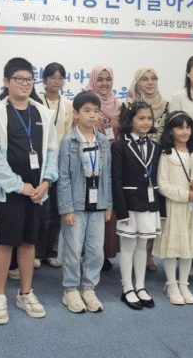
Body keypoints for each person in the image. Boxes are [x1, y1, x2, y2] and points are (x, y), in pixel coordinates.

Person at [0, 57, 58, 325]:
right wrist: (18, 186)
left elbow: (52, 151)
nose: (25, 84)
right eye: (18, 79)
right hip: (10, 192)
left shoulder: (42, 113)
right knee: (5, 243)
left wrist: (46, 182)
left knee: (29, 243)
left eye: (29, 79)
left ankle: (25, 293)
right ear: (6, 81)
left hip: (38, 191)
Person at [58, 91, 112, 313]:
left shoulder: (103, 141)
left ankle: (88, 287)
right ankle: (70, 289)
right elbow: (63, 176)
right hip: (76, 204)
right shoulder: (68, 141)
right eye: (87, 111)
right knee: (72, 249)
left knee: (96, 250)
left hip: (98, 203)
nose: (92, 116)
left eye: (96, 111)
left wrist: (108, 203)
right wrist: (66, 208)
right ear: (76, 113)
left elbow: (107, 174)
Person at [153, 112, 193, 305]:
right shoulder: (166, 155)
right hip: (175, 207)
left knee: (190, 245)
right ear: (171, 131)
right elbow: (162, 184)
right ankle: (171, 284)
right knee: (174, 245)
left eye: (188, 127)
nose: (185, 131)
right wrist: (185, 194)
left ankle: (184, 284)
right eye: (180, 127)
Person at [112, 102, 164, 310]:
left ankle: (140, 286)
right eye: (141, 118)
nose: (146, 122)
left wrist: (159, 207)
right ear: (130, 120)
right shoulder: (120, 146)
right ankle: (127, 287)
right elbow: (116, 180)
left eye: (149, 118)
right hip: (129, 204)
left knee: (143, 245)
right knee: (128, 246)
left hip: (149, 203)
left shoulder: (155, 146)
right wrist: (121, 210)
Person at [122, 67, 170, 272]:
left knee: (153, 209)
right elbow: (123, 132)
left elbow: (168, 134)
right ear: (137, 82)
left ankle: (148, 254)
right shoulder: (127, 105)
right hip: (134, 160)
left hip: (157, 159)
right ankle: (132, 254)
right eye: (144, 79)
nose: (150, 82)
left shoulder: (166, 105)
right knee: (136, 210)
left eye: (153, 78)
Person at [37, 62, 74, 269]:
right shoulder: (36, 102)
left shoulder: (68, 104)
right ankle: (36, 252)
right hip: (40, 162)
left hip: (60, 162)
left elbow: (68, 134)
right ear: (44, 80)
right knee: (41, 209)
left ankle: (51, 252)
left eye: (60, 78)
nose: (57, 81)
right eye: (53, 77)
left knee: (57, 210)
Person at [86, 64, 121, 269]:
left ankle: (105, 253)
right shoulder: (86, 102)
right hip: (91, 162)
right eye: (100, 79)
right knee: (92, 208)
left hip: (113, 163)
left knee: (109, 208)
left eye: (108, 79)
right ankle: (89, 252)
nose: (104, 83)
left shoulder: (119, 105)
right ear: (93, 80)